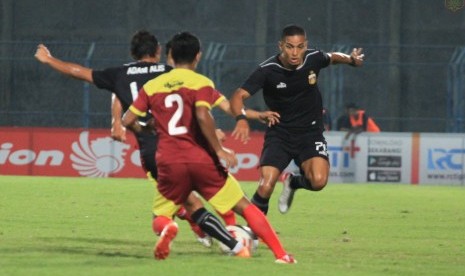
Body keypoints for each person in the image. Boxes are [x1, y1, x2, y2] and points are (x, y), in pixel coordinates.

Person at [33, 30, 246, 249]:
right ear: (159, 51)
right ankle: (232, 238)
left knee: (188, 201)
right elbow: (189, 103)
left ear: (132, 53)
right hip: (183, 144)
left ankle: (214, 235)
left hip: (152, 152)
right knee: (209, 191)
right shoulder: (168, 72)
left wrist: (49, 59)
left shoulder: (120, 75)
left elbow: (79, 72)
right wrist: (210, 131)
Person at [122, 31, 296, 263]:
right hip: (200, 159)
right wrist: (221, 148)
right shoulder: (201, 83)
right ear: (198, 56)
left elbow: (127, 121)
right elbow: (217, 110)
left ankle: (167, 228)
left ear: (170, 56)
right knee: (244, 206)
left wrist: (148, 129)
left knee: (160, 216)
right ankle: (281, 255)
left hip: (168, 162)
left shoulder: (153, 86)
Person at [229, 24, 364, 215]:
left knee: (318, 181)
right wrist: (241, 118)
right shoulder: (268, 70)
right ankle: (253, 233)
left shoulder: (313, 58)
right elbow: (237, 96)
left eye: (300, 46)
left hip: (310, 133)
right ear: (280, 46)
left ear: (305, 46)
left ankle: (293, 181)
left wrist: (351, 60)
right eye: (289, 46)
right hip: (279, 134)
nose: (295, 52)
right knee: (265, 186)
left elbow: (332, 57)